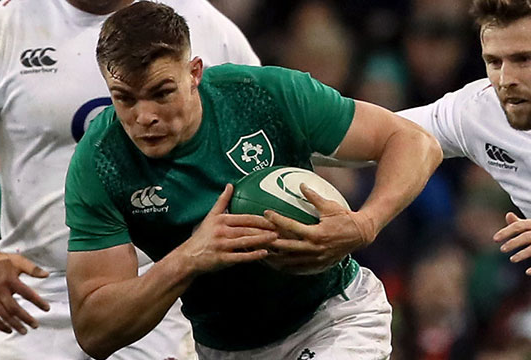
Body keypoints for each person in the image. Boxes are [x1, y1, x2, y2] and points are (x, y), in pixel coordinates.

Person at [63, 2, 442, 359]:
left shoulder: (262, 95)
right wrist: (190, 258)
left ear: (194, 73)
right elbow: (94, 332)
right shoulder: (101, 162)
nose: (144, 116)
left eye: (161, 93)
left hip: (334, 318)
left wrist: (364, 223)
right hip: (222, 348)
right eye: (124, 99)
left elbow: (415, 142)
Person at [0, 0, 260, 359]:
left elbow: (258, 122)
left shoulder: (197, 21)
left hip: (160, 296)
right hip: (34, 304)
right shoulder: (7, 28)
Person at [398, 0, 531, 275]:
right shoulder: (479, 109)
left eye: (523, 59)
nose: (506, 78)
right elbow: (383, 130)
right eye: (494, 61)